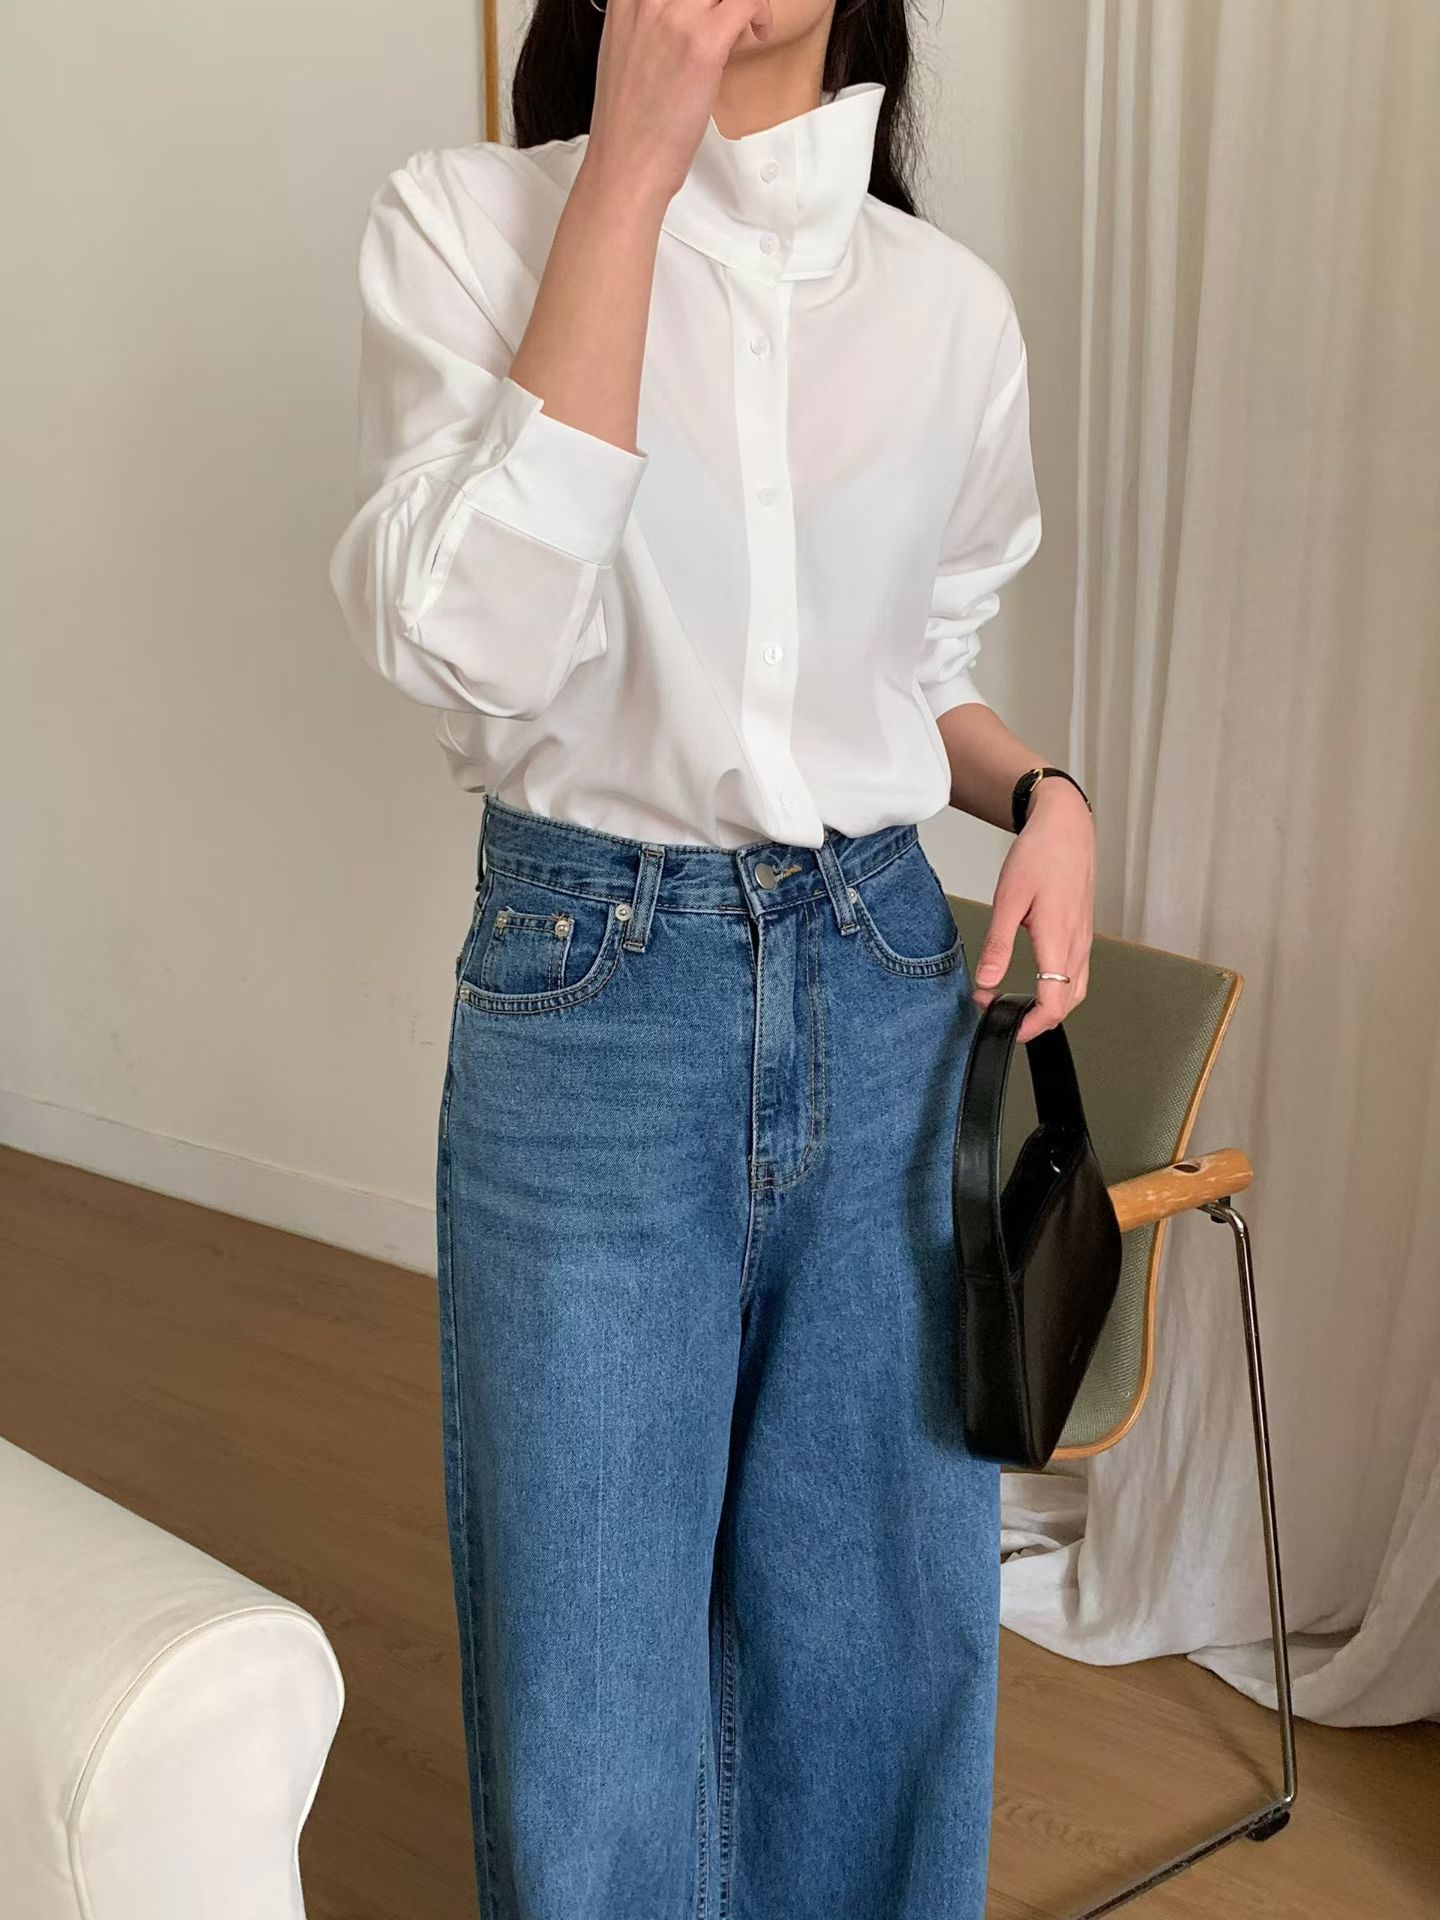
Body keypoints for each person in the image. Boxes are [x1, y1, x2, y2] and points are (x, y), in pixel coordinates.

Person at [326, 0, 1096, 1907]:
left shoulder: (948, 311)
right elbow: (478, 640)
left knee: (885, 1630)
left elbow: (913, 672)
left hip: (882, 962)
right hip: (593, 985)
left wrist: (1047, 795)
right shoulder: (466, 225)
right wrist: (630, 172)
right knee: (588, 1663)